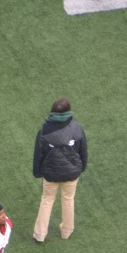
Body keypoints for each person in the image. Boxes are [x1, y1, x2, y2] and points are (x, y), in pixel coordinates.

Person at [32, 98, 88, 243]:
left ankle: (40, 234)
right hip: (72, 173)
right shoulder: (77, 128)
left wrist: (37, 172)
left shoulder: (44, 130)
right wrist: (81, 167)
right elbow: (83, 151)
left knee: (46, 200)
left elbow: (38, 153)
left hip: (50, 174)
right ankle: (66, 232)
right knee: (68, 200)